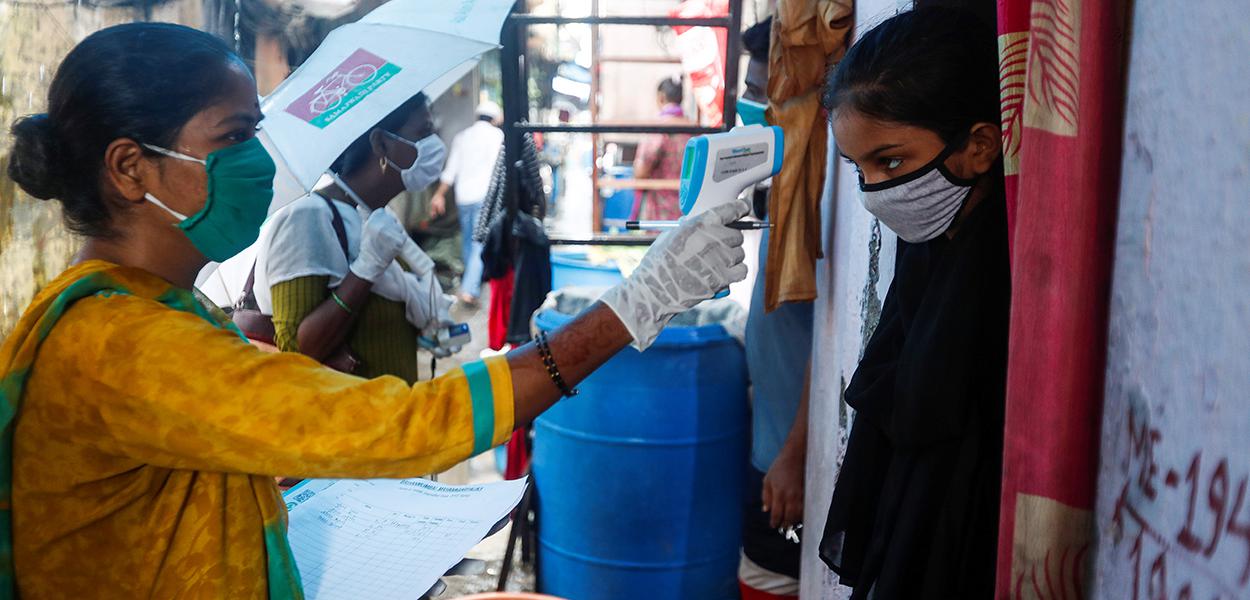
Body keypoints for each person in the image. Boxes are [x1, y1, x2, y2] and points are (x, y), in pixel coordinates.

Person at [1, 23, 749, 597]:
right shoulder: (125, 341)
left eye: (258, 134)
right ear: (132, 169)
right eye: (234, 138)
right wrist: (637, 302)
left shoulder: (142, 310)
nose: (257, 163)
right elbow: (405, 427)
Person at [816, 7, 1010, 598]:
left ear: (979, 147)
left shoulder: (1005, 284)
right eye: (859, 169)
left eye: (890, 161)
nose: (875, 193)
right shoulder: (927, 259)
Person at [248, 92, 451, 384]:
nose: (435, 145)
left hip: (391, 418)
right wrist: (366, 269)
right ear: (381, 144)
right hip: (343, 423)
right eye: (424, 133)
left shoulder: (376, 217)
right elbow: (296, 351)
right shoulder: (309, 218)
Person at [735, 17, 813, 600]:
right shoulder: (785, 181)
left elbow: (835, 344)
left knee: (768, 583)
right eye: (749, 90)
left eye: (763, 95)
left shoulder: (820, 193)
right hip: (770, 448)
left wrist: (793, 455)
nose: (751, 109)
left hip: (794, 464)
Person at [430, 101, 504, 307]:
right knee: (479, 241)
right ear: (495, 118)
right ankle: (470, 288)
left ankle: (471, 280)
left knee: (468, 241)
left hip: (463, 196)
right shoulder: (498, 136)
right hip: (484, 197)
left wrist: (439, 194)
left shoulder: (462, 137)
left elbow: (451, 170)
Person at [632, 76, 692, 221]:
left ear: (661, 97)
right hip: (688, 210)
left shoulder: (658, 128)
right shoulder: (694, 128)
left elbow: (641, 171)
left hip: (662, 213)